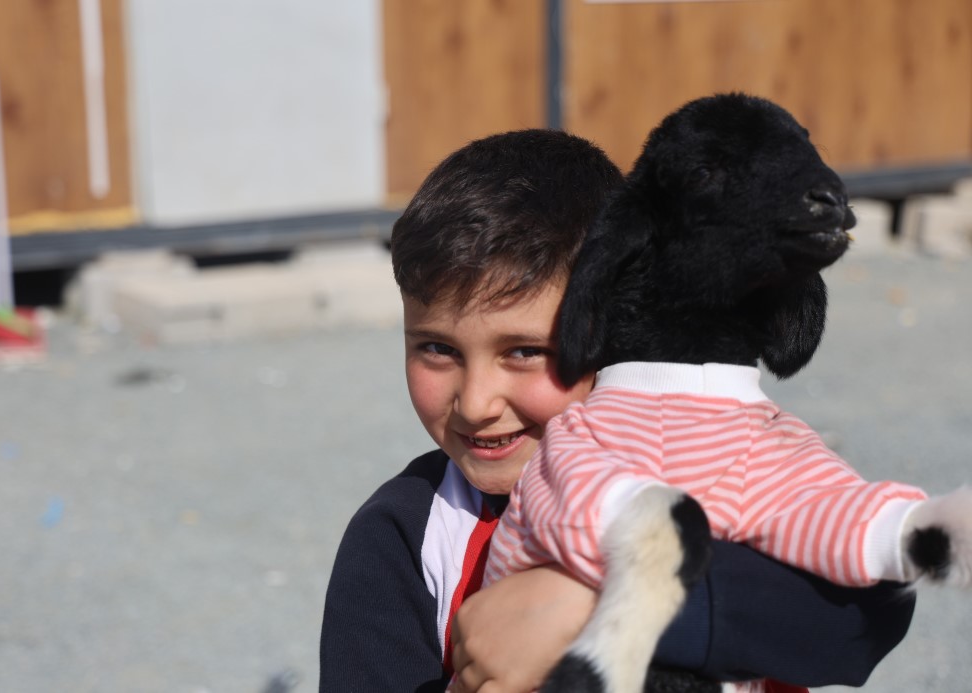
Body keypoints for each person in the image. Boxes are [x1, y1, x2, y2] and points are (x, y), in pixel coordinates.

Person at [319, 129, 915, 693]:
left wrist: (594, 610)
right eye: (437, 348)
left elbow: (871, 612)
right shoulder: (404, 536)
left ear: (616, 324)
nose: (476, 404)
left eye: (525, 351)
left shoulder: (729, 463)